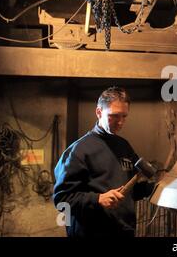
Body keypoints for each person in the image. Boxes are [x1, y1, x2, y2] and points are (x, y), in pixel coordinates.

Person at [53, 86, 156, 237]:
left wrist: (155, 188)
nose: (120, 122)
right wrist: (98, 199)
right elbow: (62, 200)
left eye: (124, 116)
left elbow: (131, 191)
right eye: (114, 116)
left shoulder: (124, 146)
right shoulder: (79, 151)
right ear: (99, 112)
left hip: (124, 231)